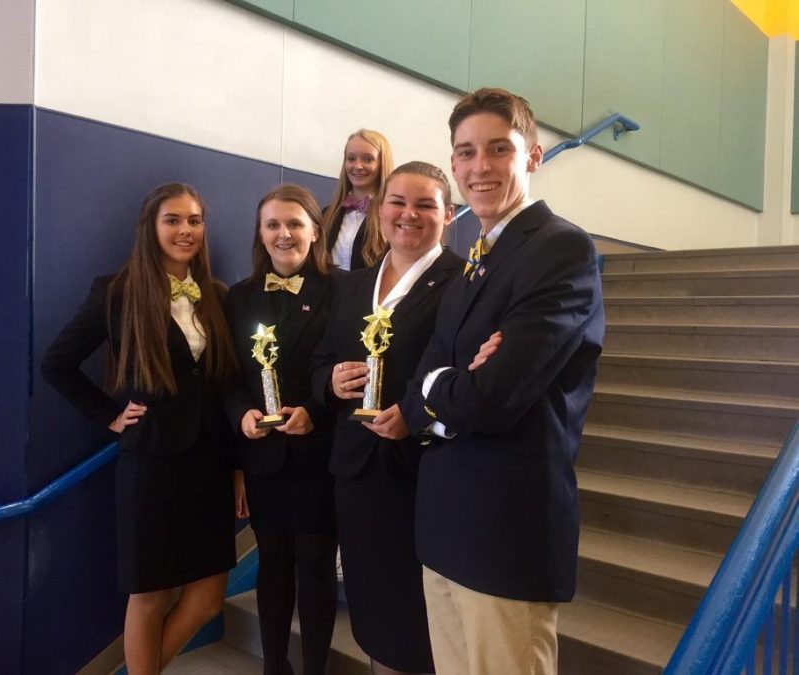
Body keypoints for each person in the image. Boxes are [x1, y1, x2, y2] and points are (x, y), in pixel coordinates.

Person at [400, 88, 605, 675]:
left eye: (497, 149)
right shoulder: (474, 258)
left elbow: (489, 401)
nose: (478, 167)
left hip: (505, 533)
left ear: (533, 156)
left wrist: (444, 387)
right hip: (444, 525)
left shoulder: (559, 249)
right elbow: (418, 389)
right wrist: (447, 383)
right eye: (464, 153)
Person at [41, 183, 240, 675]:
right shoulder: (117, 290)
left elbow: (225, 383)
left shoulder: (215, 294)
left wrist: (237, 468)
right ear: (151, 228)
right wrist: (108, 415)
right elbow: (57, 362)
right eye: (173, 220)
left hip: (210, 463)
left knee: (208, 599)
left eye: (194, 220)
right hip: (151, 463)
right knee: (150, 595)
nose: (185, 230)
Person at [312, 162, 463, 675]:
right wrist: (329, 381)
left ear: (448, 216)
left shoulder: (463, 283)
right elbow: (319, 361)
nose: (409, 214)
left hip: (425, 474)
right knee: (373, 608)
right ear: (379, 211)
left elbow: (463, 375)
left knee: (419, 618)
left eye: (426, 205)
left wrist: (416, 415)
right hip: (357, 472)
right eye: (398, 201)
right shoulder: (351, 287)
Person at [224, 185, 341, 675]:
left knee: (315, 566)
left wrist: (315, 409)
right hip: (264, 458)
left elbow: (354, 370)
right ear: (260, 233)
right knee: (271, 567)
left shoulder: (343, 290)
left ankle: (314, 667)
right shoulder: (240, 296)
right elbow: (228, 377)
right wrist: (241, 416)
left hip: (319, 455)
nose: (284, 234)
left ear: (315, 231)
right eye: (272, 224)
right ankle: (275, 667)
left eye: (295, 223)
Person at [322, 129, 395, 271]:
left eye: (368, 159)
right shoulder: (327, 214)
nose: (357, 166)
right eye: (351, 158)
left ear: (382, 164)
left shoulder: (391, 217)